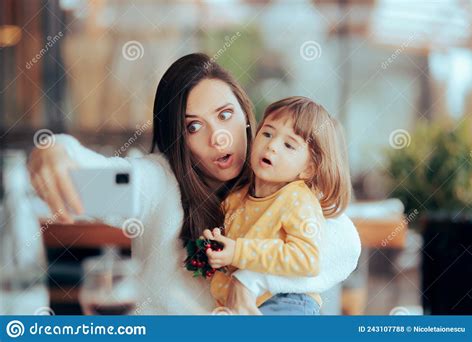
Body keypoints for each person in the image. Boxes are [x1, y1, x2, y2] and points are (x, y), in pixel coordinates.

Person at [27, 53, 360, 315]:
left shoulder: (285, 185)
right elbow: (84, 183)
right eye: (194, 127)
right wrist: (53, 149)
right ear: (178, 139)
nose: (217, 138)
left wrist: (250, 277)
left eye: (225, 115)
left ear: (247, 115)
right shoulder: (157, 183)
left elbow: (344, 245)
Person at [204, 96, 352, 315]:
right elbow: (233, 253)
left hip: (288, 301)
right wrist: (215, 245)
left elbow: (306, 259)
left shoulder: (298, 200)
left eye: (289, 145)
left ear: (309, 169)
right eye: (267, 133)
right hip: (241, 303)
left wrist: (238, 251)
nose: (272, 145)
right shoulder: (235, 199)